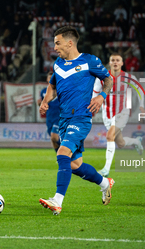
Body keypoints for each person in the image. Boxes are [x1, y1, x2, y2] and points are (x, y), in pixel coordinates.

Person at [39, 26, 114, 215]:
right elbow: (52, 85)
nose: (55, 47)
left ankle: (57, 200)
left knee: (62, 153)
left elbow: (109, 79)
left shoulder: (89, 61)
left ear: (70, 43)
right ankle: (105, 183)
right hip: (63, 118)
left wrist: (101, 96)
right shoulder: (58, 63)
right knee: (74, 165)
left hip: (81, 117)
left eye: (57, 43)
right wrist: (46, 100)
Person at [94, 53, 144, 178]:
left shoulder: (128, 78)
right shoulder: (102, 78)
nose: (115, 62)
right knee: (120, 143)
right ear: (109, 63)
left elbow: (140, 91)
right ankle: (136, 141)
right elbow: (94, 94)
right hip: (107, 114)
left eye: (118, 60)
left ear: (122, 63)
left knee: (109, 136)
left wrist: (142, 106)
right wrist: (93, 107)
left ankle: (106, 169)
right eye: (113, 60)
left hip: (122, 113)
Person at [38, 71, 60, 152]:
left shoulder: (60, 90)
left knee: (54, 136)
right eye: (49, 78)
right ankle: (60, 157)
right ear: (47, 79)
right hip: (49, 117)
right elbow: (43, 104)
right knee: (53, 139)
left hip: (59, 116)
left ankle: (66, 152)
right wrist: (40, 104)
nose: (51, 79)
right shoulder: (44, 91)